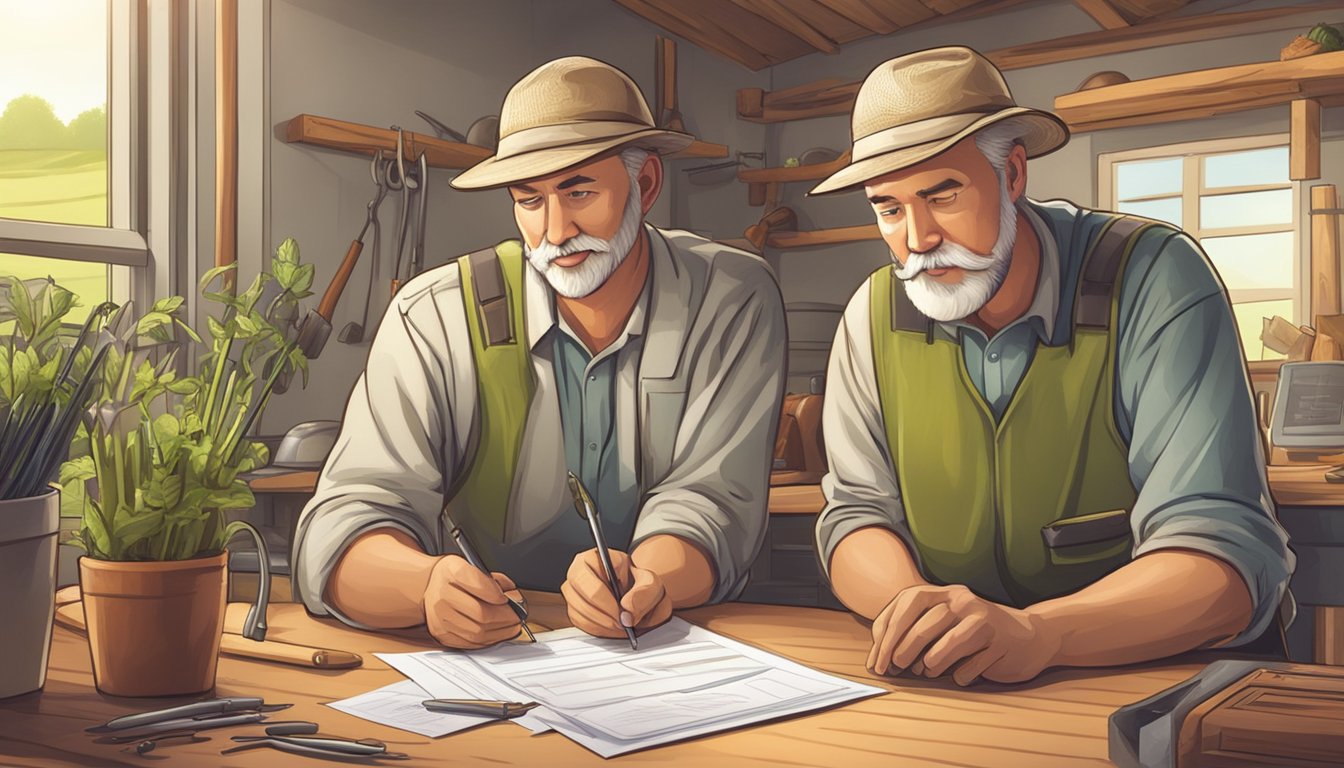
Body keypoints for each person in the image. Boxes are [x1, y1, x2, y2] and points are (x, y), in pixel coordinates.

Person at [810, 46, 1294, 686]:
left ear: (1012, 175)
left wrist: (1041, 632)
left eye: (943, 195)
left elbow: (1221, 558)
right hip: (964, 684)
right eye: (890, 208)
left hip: (1166, 679)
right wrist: (910, 609)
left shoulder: (1152, 278)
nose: (919, 239)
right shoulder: (872, 316)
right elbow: (855, 516)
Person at [292, 56, 786, 649]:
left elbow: (714, 502)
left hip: (664, 654)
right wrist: (423, 587)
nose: (555, 232)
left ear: (646, 184)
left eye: (579, 192)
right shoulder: (436, 315)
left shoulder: (730, 297)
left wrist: (650, 579)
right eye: (530, 201)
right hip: (491, 666)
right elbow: (343, 523)